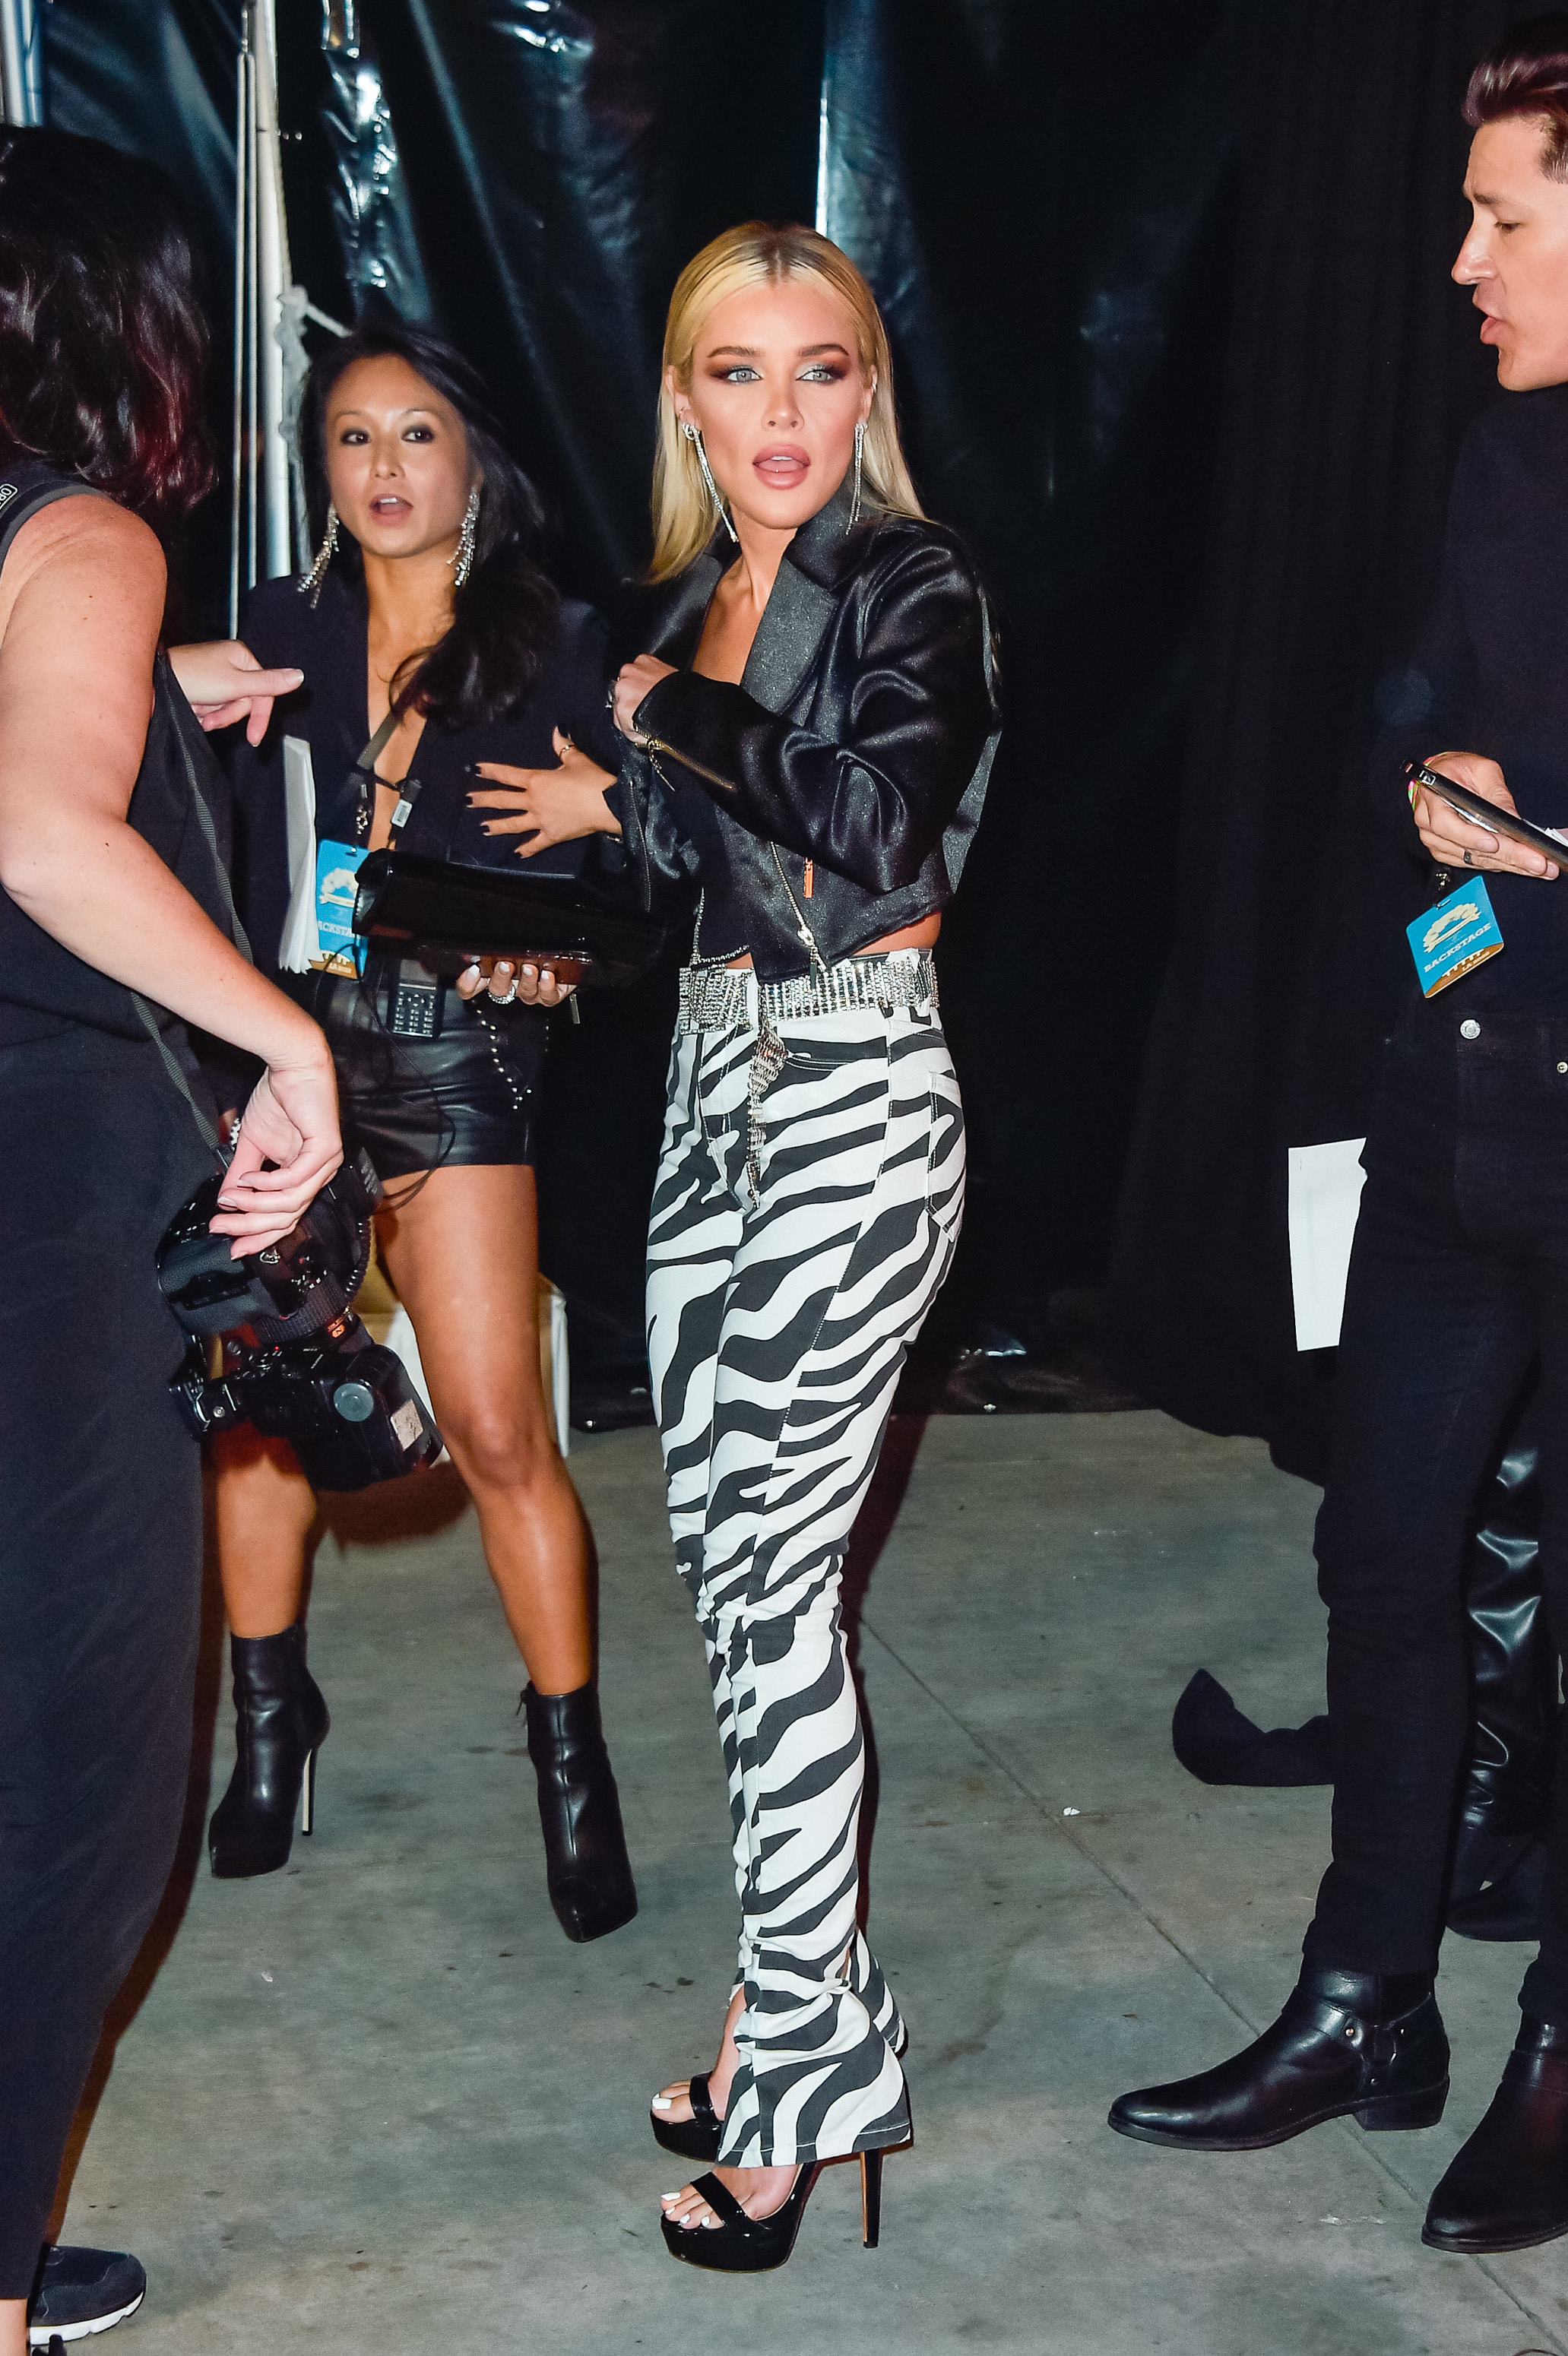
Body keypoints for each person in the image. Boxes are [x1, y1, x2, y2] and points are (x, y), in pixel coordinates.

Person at [489, 220, 998, 2269]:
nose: (781, 413)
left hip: (857, 1105)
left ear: (868, 388)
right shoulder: (705, 600)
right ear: (685, 401)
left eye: (820, 368)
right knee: (734, 1591)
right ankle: (794, 2017)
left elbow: (871, 828)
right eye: (737, 371)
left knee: (779, 1601)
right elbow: (713, 867)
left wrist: (668, 717)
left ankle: (798, 2089)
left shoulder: (912, 581)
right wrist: (592, 842)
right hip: (717, 1097)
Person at [1108, 14, 1568, 2257]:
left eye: (1504, 219)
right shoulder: (1507, 457)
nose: (1461, 262)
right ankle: (1364, 1995)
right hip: (1456, 1102)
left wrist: (1546, 827)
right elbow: (1430, 716)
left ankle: (1563, 2053)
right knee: (1383, 1560)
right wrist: (1445, 796)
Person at [0, 128, 343, 2351]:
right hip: (42, 1234)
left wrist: (149, 684)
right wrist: (282, 1032)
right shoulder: (82, 530)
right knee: (80, 1791)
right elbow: (37, 828)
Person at [208, 321, 637, 1944]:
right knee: (257, 1415)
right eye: (352, 437)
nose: (383, 466)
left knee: (495, 1424)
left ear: (475, 465)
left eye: (415, 434)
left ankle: (573, 1768)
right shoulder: (278, 630)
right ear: (320, 471)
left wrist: (576, 930)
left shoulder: (556, 643)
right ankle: (270, 1730)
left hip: (454, 1055)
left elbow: (634, 883)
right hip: (280, 1052)